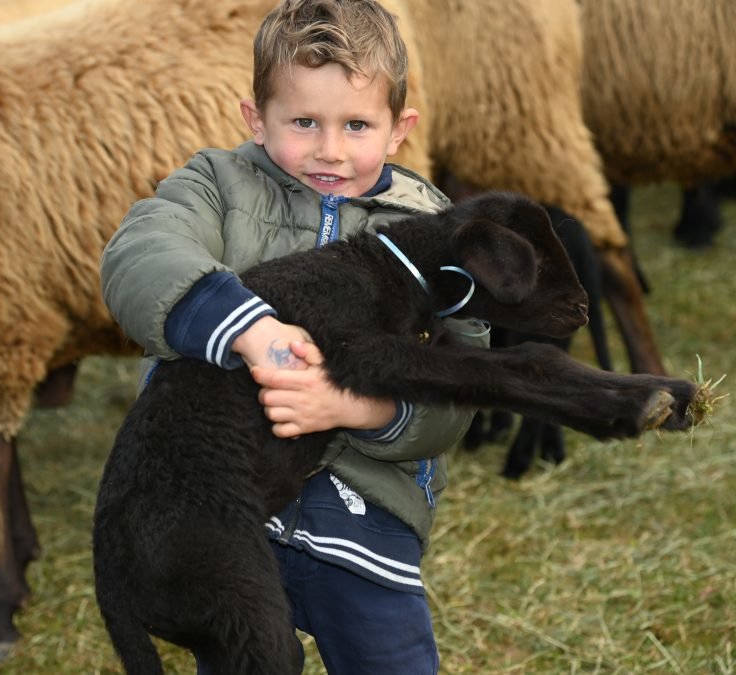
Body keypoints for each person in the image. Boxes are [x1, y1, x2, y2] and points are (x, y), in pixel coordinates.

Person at [100, 0, 486, 671]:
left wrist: (356, 409)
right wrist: (243, 324)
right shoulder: (217, 187)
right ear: (256, 119)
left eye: (357, 124)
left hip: (366, 519)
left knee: (388, 658)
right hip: (216, 514)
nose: (329, 149)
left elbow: (463, 375)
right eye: (302, 122)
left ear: (400, 129)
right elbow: (140, 252)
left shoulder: (432, 231)